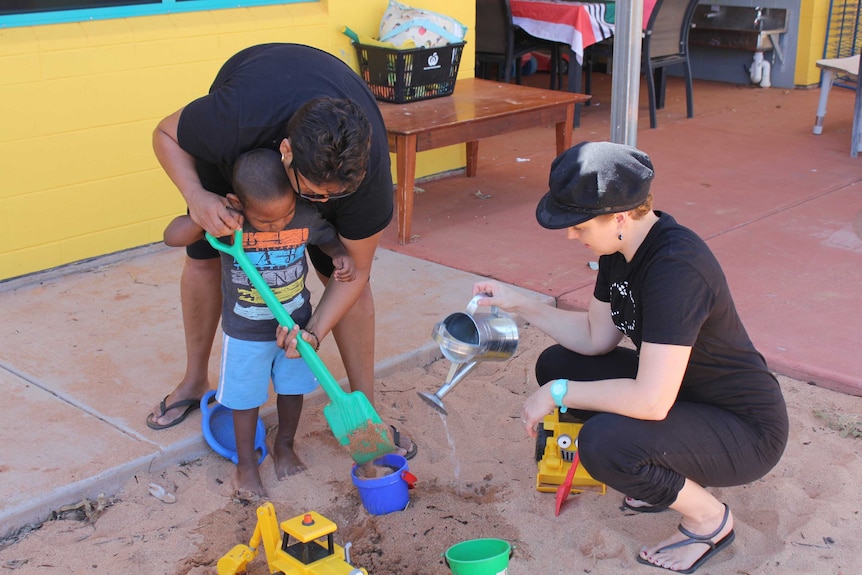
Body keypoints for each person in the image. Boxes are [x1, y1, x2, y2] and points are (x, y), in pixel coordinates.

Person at [472, 141, 789, 574]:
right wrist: (519, 303)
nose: (570, 234)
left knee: (603, 444)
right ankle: (661, 473)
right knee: (556, 363)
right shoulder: (620, 250)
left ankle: (709, 520)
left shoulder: (676, 268)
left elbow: (652, 401)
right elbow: (594, 337)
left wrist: (559, 393)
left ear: (620, 216)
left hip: (743, 428)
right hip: (682, 393)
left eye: (578, 225)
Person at [148, 43, 416, 459]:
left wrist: (312, 333)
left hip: (322, 127)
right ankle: (194, 380)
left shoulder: (368, 176)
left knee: (345, 279)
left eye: (335, 196)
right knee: (204, 258)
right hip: (252, 130)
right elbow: (165, 133)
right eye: (313, 194)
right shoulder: (233, 119)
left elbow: (357, 274)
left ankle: (367, 417)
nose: (321, 205)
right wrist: (199, 198)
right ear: (285, 151)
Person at [163, 148, 355, 497]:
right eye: (267, 222)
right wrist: (202, 216)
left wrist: (339, 254)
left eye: (286, 216)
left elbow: (326, 238)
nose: (279, 224)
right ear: (238, 202)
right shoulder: (229, 225)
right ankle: (246, 465)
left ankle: (284, 445)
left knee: (292, 389)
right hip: (245, 332)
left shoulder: (304, 216)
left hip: (298, 329)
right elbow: (171, 236)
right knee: (243, 398)